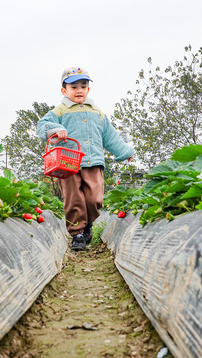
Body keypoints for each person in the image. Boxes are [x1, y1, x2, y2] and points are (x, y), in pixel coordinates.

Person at [37, 66, 134, 251]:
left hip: (94, 161)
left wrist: (125, 151)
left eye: (83, 85)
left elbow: (110, 136)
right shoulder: (59, 111)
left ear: (88, 89)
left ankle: (87, 224)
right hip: (67, 162)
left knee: (94, 198)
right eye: (74, 87)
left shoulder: (97, 112)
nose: (79, 90)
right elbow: (42, 125)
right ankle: (77, 234)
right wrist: (55, 129)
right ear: (64, 90)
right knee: (74, 198)